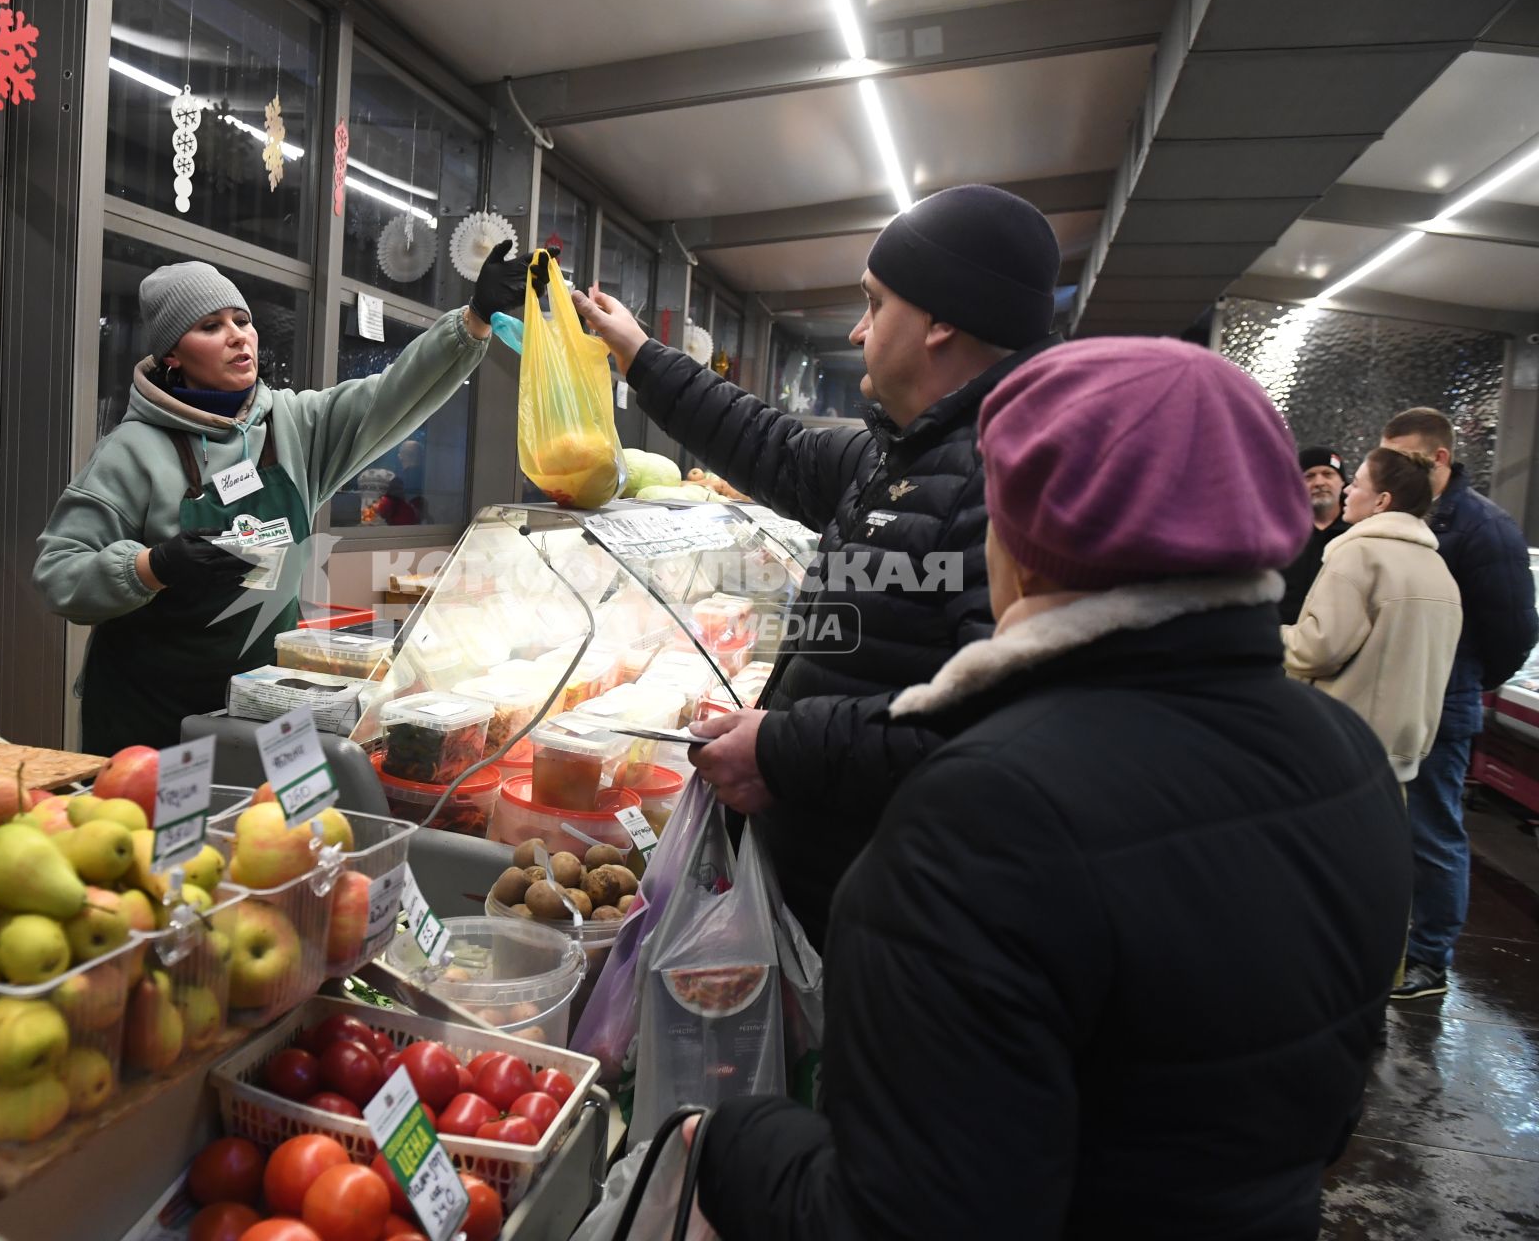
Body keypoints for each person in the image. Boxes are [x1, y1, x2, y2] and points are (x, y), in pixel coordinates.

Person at [692, 337, 1410, 1240]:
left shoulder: (985, 815)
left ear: (1024, 547)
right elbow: (1332, 1095)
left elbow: (900, 1220)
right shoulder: (1347, 755)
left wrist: (728, 1141)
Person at [572, 184, 1061, 949]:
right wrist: (637, 354)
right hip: (825, 885)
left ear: (941, 321)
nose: (860, 328)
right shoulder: (896, 452)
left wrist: (782, 747)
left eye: (875, 302)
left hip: (890, 912)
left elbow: (989, 733)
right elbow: (771, 446)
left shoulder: (1003, 485)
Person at [34, 246, 533, 754]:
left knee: (290, 831)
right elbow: (58, 573)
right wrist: (152, 565)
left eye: (242, 320)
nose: (237, 336)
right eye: (210, 326)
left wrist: (472, 321)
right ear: (172, 355)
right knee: (165, 836)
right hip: (154, 719)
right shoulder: (132, 451)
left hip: (274, 707)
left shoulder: (294, 425)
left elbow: (393, 394)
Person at [1378, 407, 1537, 1000]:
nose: (1392, 470)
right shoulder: (1405, 512)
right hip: (1393, 702)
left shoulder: (1483, 529)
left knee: (1433, 833)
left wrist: (1459, 682)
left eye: (1406, 459)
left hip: (1441, 710)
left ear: (1440, 458)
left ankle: (1429, 959)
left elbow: (1512, 633)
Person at [1283, 447, 1461, 784]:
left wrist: (1266, 636)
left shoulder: (1360, 554)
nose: (1348, 489)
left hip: (1343, 750)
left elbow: (1318, 650)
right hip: (1402, 760)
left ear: (1381, 501)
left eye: (1358, 484)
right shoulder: (1439, 568)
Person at [1278, 444, 1350, 624]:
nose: (1319, 482)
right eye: (1309, 476)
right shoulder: (1280, 533)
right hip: (1284, 641)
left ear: (1342, 481)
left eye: (1328, 474)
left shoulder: (1359, 532)